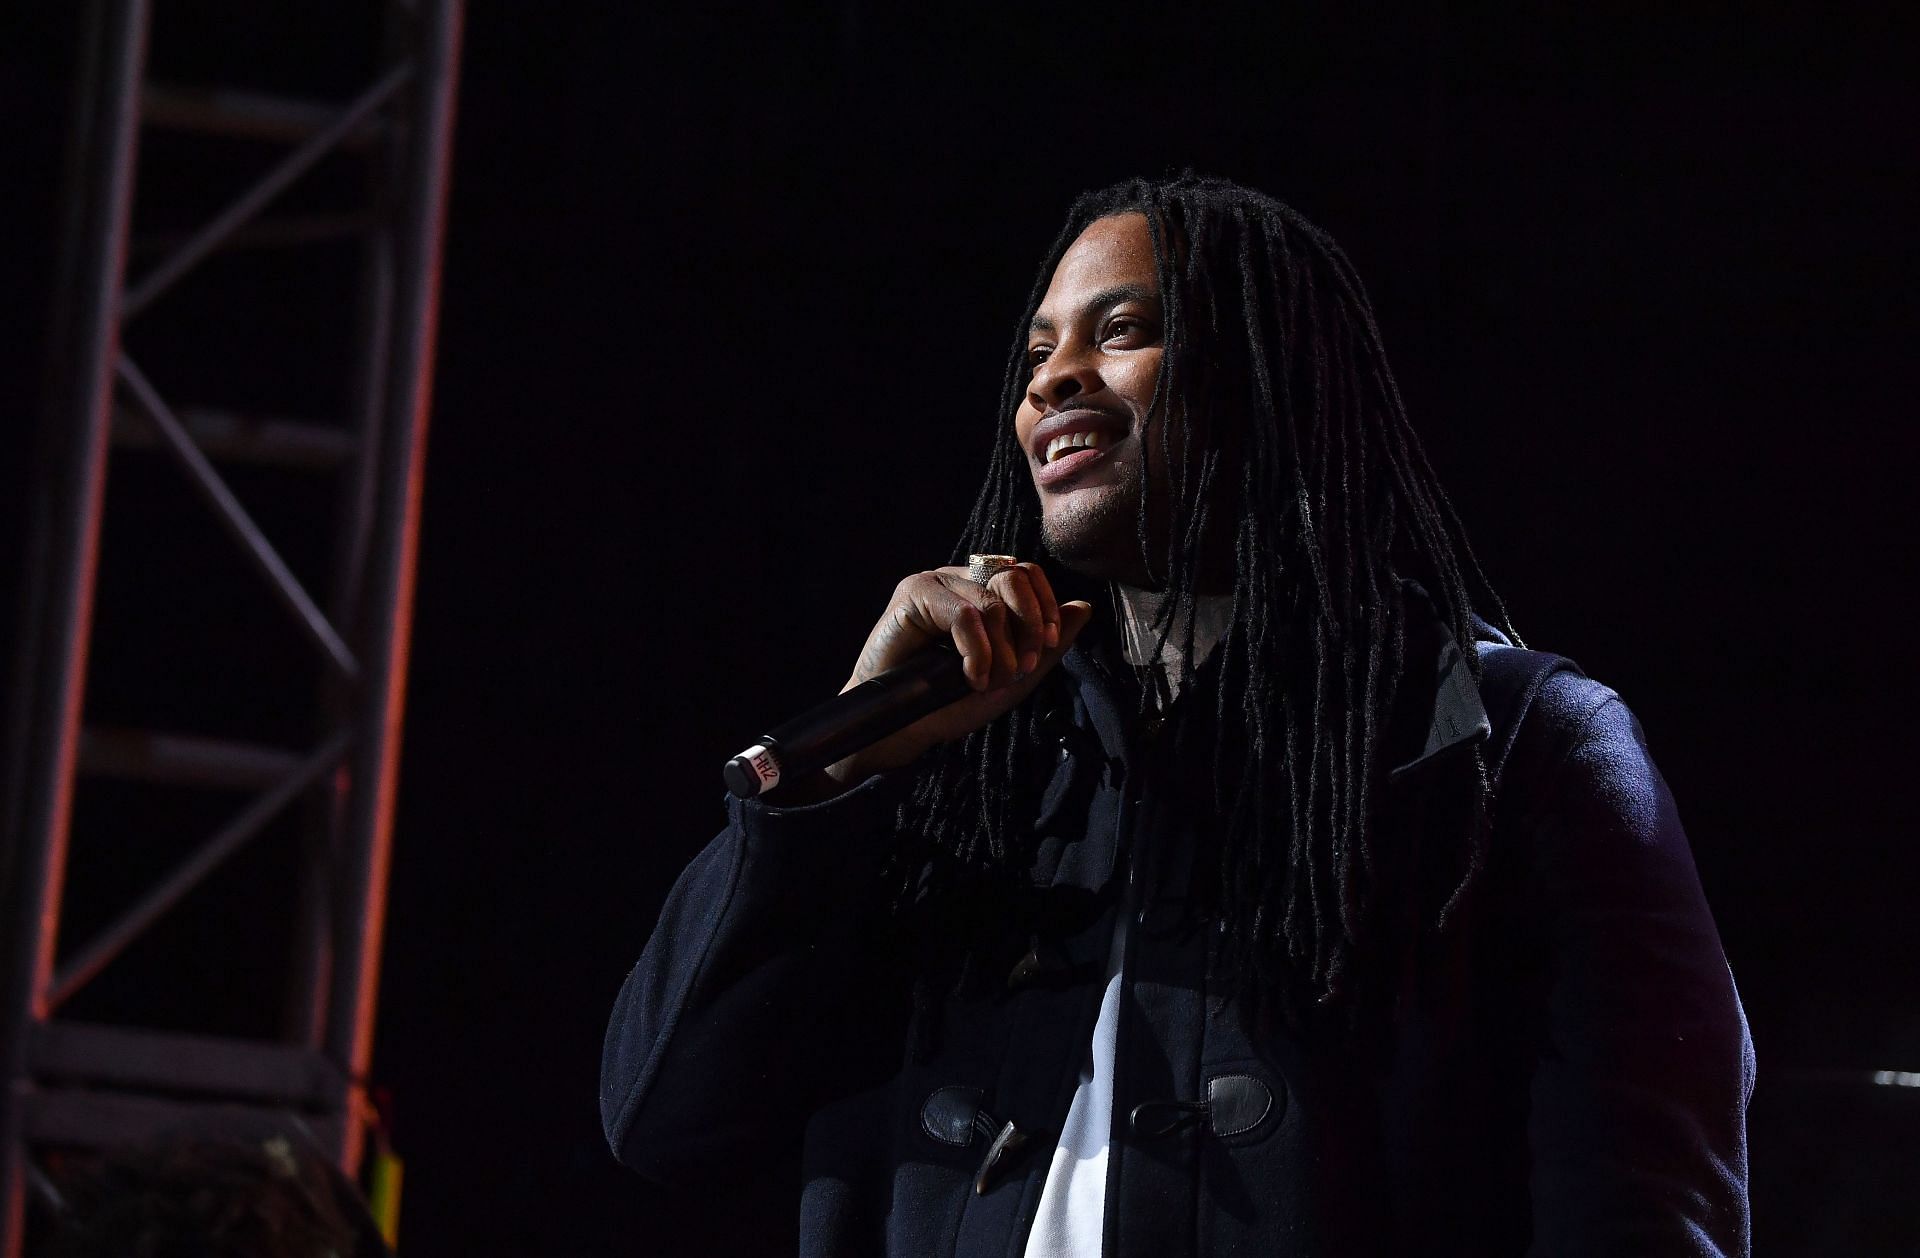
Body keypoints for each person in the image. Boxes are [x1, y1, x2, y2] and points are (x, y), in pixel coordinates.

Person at [601, 174, 1754, 1256]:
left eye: (1120, 331)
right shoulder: (973, 767)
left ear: (1266, 375)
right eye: (1041, 349)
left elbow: (1643, 1207)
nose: (1053, 380)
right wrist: (847, 764)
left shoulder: (1510, 741)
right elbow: (667, 1121)